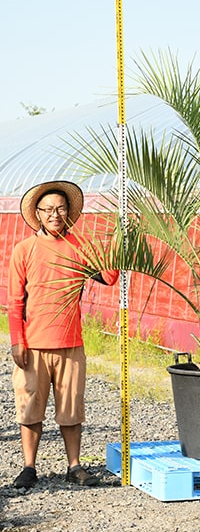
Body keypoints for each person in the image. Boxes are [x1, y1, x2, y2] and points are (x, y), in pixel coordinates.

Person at [8, 180, 119, 489]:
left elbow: (109, 277)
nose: (55, 214)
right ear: (38, 214)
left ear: (70, 213)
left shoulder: (79, 247)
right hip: (34, 345)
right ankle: (29, 467)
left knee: (71, 409)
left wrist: (114, 242)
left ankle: (75, 465)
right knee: (30, 406)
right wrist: (17, 341)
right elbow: (15, 302)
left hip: (71, 343)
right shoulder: (24, 250)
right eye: (49, 209)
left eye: (61, 209)